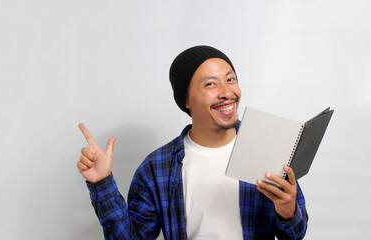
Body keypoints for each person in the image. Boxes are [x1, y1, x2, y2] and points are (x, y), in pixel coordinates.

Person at [77, 45, 308, 239]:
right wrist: (102, 183)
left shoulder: (270, 148)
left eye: (231, 79)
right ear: (186, 99)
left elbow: (295, 234)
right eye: (210, 84)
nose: (227, 92)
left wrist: (288, 211)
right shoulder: (157, 167)